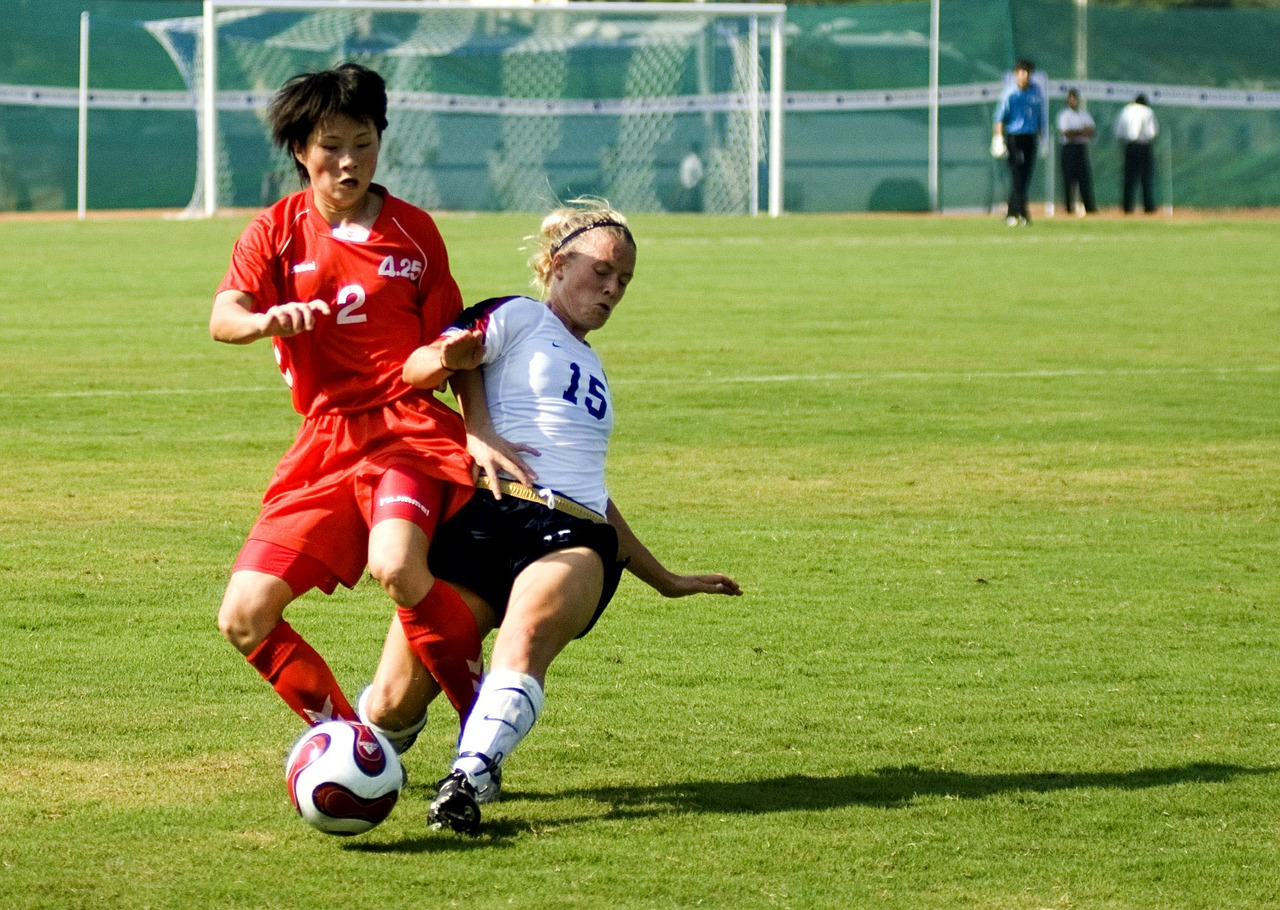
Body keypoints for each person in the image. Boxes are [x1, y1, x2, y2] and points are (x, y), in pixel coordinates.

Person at [358, 200, 743, 834]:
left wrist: (665, 579)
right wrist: (456, 362)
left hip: (573, 535)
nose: (613, 290)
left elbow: (594, 497)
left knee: (525, 637)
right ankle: (359, 764)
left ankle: (469, 778)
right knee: (393, 705)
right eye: (602, 273)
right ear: (559, 264)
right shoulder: (518, 315)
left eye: (624, 281)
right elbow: (418, 368)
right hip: (487, 523)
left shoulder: (593, 368)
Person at [210, 63, 517, 734]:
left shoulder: (413, 233)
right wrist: (262, 321)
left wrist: (479, 429)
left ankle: (485, 732)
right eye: (331, 147)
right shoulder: (276, 231)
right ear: (300, 149)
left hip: (405, 432)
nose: (348, 163)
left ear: (380, 140)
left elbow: (454, 345)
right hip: (324, 443)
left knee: (398, 565)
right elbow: (223, 314)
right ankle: (354, 749)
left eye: (363, 143)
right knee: (243, 614)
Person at [993, 59, 1044, 227]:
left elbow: (1039, 117)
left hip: (1030, 138)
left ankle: (1013, 213)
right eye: (1021, 72)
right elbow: (1000, 118)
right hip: (1015, 137)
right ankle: (1021, 212)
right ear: (1016, 74)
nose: (1025, 75)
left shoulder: (1035, 93)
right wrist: (998, 138)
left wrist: (1042, 138)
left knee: (1025, 177)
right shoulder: (1010, 93)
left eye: (1028, 72)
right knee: (1017, 176)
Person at [1115, 93, 1159, 214]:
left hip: (1130, 146)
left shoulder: (1125, 111)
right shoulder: (1148, 111)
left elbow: (1118, 132)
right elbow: (1152, 132)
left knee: (1129, 178)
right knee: (1145, 177)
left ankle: (1127, 206)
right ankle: (1147, 206)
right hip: (1143, 146)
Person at [1056, 88, 1097, 217]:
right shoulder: (1064, 115)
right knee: (1068, 180)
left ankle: (1089, 208)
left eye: (1075, 98)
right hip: (1068, 149)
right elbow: (1066, 133)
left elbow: (1091, 131)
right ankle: (1069, 208)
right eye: (1070, 98)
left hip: (1081, 148)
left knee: (1084, 179)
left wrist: (1077, 132)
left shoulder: (1084, 114)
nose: (1073, 100)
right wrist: (1081, 131)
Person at [676, 143, 705, 212]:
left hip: (685, 184)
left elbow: (682, 172)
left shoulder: (686, 160)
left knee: (684, 201)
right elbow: (699, 174)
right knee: (694, 204)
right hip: (694, 186)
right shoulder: (696, 161)